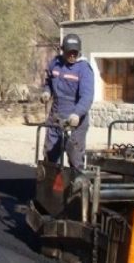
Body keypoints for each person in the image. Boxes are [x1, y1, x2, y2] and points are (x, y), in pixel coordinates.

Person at [40, 33, 94, 173]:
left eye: (75, 53)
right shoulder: (55, 64)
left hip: (75, 120)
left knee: (75, 157)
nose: (72, 56)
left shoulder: (84, 69)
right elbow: (48, 81)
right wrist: (47, 92)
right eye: (69, 52)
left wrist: (77, 114)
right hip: (55, 117)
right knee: (50, 156)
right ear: (63, 50)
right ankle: (50, 189)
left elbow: (87, 96)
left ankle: (76, 187)